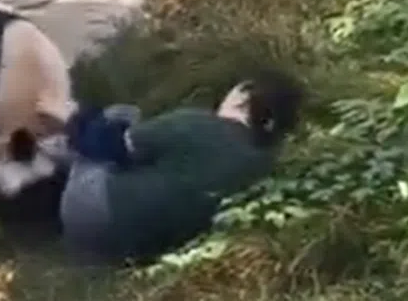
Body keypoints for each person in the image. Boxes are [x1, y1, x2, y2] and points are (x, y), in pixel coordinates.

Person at [57, 69, 305, 264]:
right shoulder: (264, 166)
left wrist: (78, 121)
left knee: (121, 114)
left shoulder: (196, 123)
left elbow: (107, 146)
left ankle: (41, 178)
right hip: (140, 249)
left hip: (89, 211)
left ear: (244, 96)